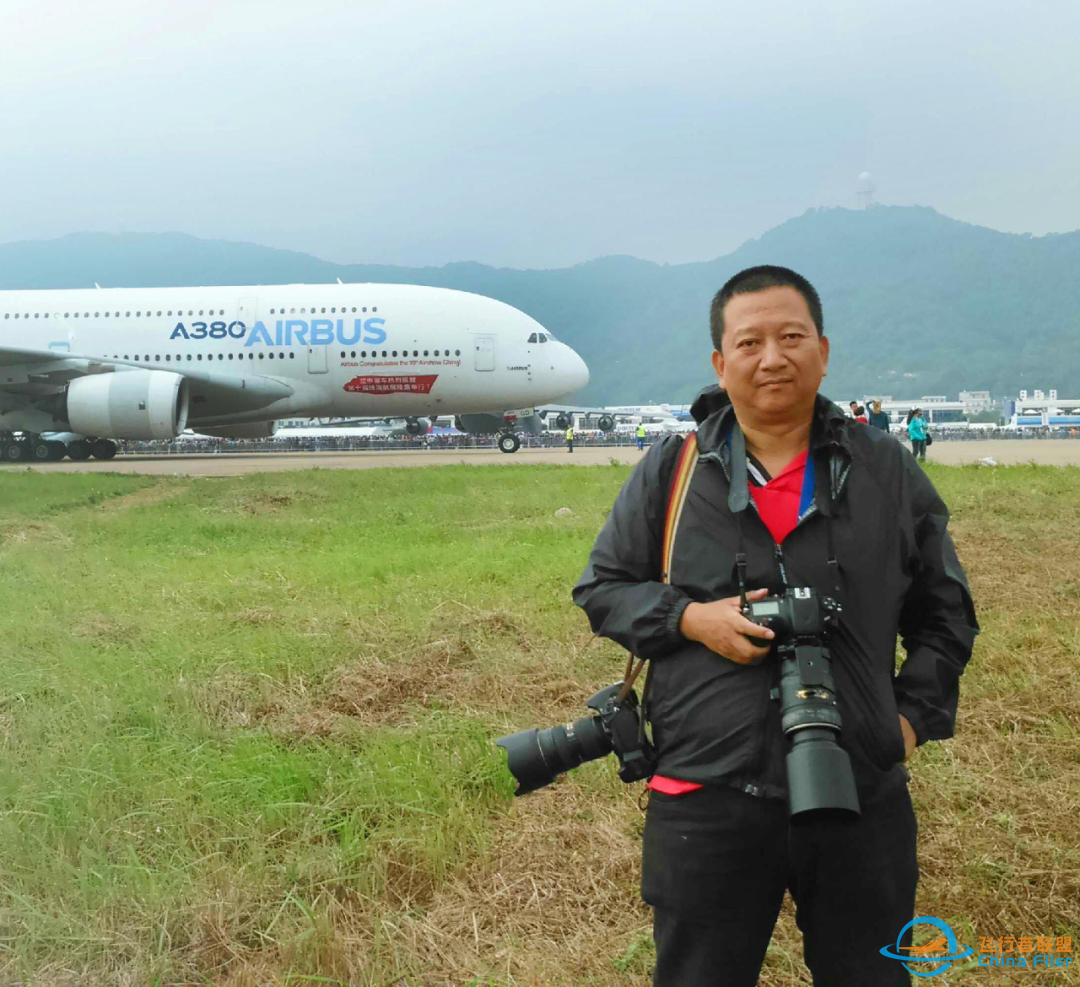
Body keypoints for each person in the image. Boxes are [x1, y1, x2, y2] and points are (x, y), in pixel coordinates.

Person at [573, 265, 977, 986]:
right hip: (705, 795)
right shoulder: (674, 470)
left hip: (860, 793)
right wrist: (691, 618)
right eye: (750, 341)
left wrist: (908, 720)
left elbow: (946, 614)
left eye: (791, 337)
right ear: (720, 363)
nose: (772, 357)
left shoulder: (884, 469)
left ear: (823, 349)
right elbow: (602, 588)